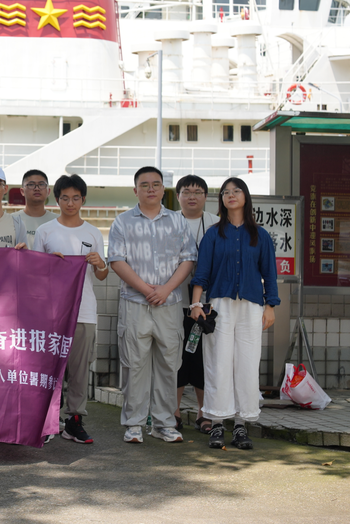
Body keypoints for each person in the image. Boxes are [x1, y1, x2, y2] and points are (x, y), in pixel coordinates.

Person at [107, 166, 195, 445]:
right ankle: (134, 424)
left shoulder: (178, 221)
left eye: (156, 184)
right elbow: (116, 260)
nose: (151, 189)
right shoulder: (122, 222)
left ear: (162, 189)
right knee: (134, 364)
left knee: (169, 364)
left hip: (170, 304)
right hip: (135, 303)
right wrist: (146, 290)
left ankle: (164, 423)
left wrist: (166, 289)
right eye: (144, 185)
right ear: (136, 190)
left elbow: (188, 259)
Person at [191, 178, 279, 451]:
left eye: (236, 190)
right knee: (218, 363)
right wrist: (196, 304)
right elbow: (202, 273)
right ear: (222, 200)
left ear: (245, 197)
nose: (231, 195)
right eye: (226, 192)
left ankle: (241, 424)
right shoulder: (213, 234)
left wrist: (270, 306)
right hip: (220, 306)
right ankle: (217, 422)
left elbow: (270, 273)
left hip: (252, 306)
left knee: (247, 364)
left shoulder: (261, 235)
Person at [33, 174, 108, 444]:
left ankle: (74, 421)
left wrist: (100, 263)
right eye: (65, 198)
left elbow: (102, 275)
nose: (70, 203)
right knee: (50, 369)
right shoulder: (45, 231)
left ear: (83, 200)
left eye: (76, 198)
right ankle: (47, 420)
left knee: (79, 370)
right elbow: (34, 273)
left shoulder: (92, 232)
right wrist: (48, 263)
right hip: (52, 313)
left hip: (84, 310)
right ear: (57, 200)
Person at [174, 174, 219, 435]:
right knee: (177, 358)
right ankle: (174, 411)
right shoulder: (169, 222)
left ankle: (205, 413)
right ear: (177, 195)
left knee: (204, 359)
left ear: (206, 196)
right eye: (187, 192)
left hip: (207, 304)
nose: (192, 197)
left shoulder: (216, 223)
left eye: (198, 192)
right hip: (174, 301)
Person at [13, 170, 57, 250]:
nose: (37, 188)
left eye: (41, 184)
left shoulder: (58, 221)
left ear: (48, 191)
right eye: (31, 185)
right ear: (22, 191)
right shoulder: (12, 219)